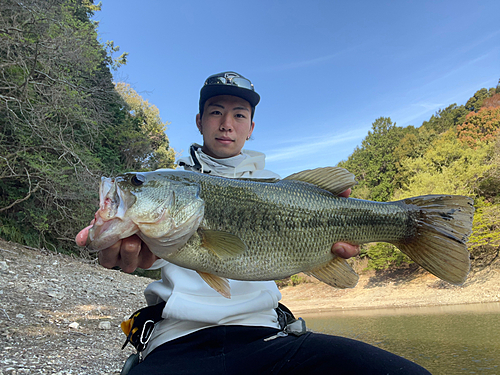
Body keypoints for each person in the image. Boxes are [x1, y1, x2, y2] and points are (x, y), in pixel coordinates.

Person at [76, 71, 431, 374]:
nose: (227, 123)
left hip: (268, 338)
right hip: (176, 340)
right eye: (215, 112)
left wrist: (327, 252)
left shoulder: (281, 186)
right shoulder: (172, 182)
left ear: (251, 128)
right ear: (199, 121)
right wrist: (124, 252)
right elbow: (150, 253)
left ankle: (409, 223)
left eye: (239, 115)